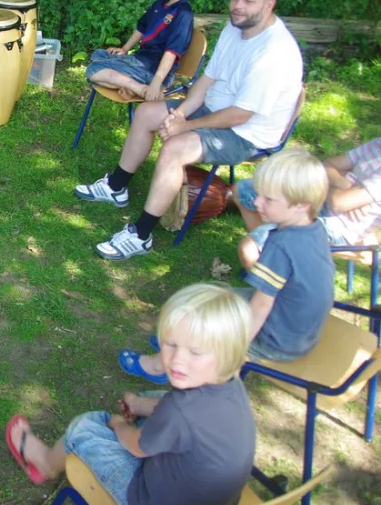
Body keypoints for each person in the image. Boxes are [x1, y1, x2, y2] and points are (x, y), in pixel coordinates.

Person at [76, 0, 303, 260]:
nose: (238, 6)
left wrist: (186, 126)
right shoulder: (235, 28)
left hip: (246, 133)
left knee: (175, 148)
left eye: (248, 1)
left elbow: (239, 116)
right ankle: (116, 187)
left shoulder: (274, 52)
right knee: (146, 113)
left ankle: (141, 235)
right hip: (215, 110)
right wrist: (180, 114)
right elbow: (206, 80)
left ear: (269, 4)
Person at [6, 283, 255, 505]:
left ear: (226, 353)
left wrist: (119, 425)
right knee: (157, 399)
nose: (177, 360)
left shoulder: (181, 411)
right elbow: (176, 412)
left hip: (147, 500)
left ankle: (45, 464)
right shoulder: (230, 386)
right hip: (212, 501)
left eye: (195, 352)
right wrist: (138, 404)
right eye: (170, 344)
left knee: (84, 427)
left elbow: (136, 446)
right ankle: (137, 406)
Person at [120, 149, 334, 384]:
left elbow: (261, 307)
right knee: (207, 298)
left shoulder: (281, 246)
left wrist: (235, 348)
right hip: (300, 333)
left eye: (268, 199)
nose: (257, 202)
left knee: (203, 322)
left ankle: (161, 365)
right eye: (259, 194)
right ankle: (175, 341)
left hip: (274, 339)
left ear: (301, 205)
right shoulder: (314, 228)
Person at [232, 138, 381, 265]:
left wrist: (328, 182)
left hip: (338, 226)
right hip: (317, 201)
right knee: (243, 190)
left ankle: (275, 280)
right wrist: (345, 185)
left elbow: (338, 203)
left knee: (249, 249)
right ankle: (272, 259)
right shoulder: (376, 145)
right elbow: (326, 166)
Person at [85, 0, 197, 101]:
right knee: (99, 54)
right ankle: (131, 87)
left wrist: (156, 82)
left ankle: (139, 88)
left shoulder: (183, 13)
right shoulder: (161, 2)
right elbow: (142, 27)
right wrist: (125, 49)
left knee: (94, 68)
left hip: (154, 70)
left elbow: (171, 52)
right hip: (140, 61)